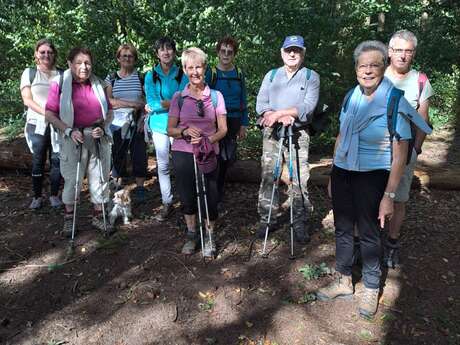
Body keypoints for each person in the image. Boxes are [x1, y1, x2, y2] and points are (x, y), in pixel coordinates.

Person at [316, 41, 432, 318]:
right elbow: (341, 136)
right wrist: (334, 173)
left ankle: (370, 287)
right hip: (344, 171)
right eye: (362, 65)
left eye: (374, 65)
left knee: (369, 232)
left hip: (373, 175)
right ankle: (344, 279)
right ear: (355, 68)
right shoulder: (351, 96)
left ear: (383, 67)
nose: (367, 70)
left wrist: (389, 195)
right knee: (343, 228)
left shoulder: (393, 100)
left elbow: (400, 154)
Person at [255, 35, 319, 244]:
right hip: (272, 133)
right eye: (289, 50)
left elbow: (308, 108)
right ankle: (267, 219)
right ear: (282, 52)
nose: (293, 54)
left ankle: (299, 221)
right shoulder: (271, 76)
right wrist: (274, 117)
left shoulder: (311, 77)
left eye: (297, 50)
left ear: (303, 53)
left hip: (298, 135)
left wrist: (282, 113)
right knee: (268, 176)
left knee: (299, 178)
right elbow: (261, 104)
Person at [45, 47, 114, 236]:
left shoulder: (98, 83)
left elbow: (109, 111)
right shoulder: (59, 83)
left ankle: (99, 216)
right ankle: (69, 219)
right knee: (72, 181)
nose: (84, 67)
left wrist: (104, 125)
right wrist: (68, 130)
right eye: (79, 62)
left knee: (100, 178)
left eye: (87, 63)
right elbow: (49, 113)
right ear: (69, 64)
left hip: (97, 137)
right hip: (72, 137)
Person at [167, 47, 227, 257]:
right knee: (187, 196)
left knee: (211, 196)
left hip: (209, 151)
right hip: (183, 151)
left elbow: (223, 129)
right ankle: (192, 234)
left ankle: (210, 236)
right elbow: (170, 130)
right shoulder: (178, 97)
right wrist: (184, 131)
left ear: (205, 68)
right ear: (184, 70)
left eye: (198, 67)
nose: (195, 72)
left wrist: (206, 141)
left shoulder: (217, 97)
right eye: (190, 67)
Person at [384, 30, 434, 268]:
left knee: (398, 198)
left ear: (413, 53)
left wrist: (415, 149)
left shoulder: (420, 81)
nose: (403, 56)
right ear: (389, 51)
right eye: (398, 50)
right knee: (373, 193)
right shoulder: (378, 73)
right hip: (376, 149)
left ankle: (391, 244)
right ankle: (370, 241)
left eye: (408, 51)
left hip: (404, 152)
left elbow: (422, 120)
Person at [145, 37, 187, 221]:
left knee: (181, 165)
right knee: (162, 166)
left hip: (178, 125)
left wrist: (163, 103)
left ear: (174, 52)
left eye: (169, 48)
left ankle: (186, 202)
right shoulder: (150, 75)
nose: (166, 52)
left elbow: (185, 99)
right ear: (157, 54)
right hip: (159, 125)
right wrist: (171, 103)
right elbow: (152, 103)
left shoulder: (182, 74)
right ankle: (167, 202)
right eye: (161, 49)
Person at [205, 36, 248, 208]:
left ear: (234, 54)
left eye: (230, 52)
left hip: (234, 120)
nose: (226, 54)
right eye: (223, 51)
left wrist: (244, 123)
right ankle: (212, 194)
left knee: (226, 158)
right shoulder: (211, 72)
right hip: (215, 120)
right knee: (214, 156)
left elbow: (243, 98)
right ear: (218, 52)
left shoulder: (238, 73)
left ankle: (218, 193)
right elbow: (204, 95)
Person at [20, 38, 62, 209]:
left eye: (49, 52)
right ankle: (37, 196)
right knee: (38, 160)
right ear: (36, 55)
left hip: (58, 124)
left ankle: (53, 195)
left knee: (57, 160)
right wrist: (47, 114)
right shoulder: (29, 73)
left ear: (54, 55)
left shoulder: (61, 74)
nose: (46, 55)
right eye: (42, 52)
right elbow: (27, 100)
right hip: (36, 124)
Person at [105, 44, 147, 201]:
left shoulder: (141, 78)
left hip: (137, 120)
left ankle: (141, 187)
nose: (127, 59)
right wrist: (131, 104)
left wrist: (143, 118)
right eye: (124, 56)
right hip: (116, 122)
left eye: (130, 56)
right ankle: (118, 186)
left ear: (134, 59)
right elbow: (109, 101)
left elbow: (145, 101)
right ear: (118, 58)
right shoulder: (111, 78)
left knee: (139, 153)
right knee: (118, 153)